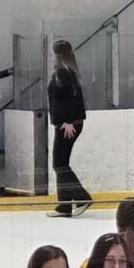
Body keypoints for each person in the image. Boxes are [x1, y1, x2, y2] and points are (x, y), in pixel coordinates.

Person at [47, 39, 91, 217]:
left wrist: (67, 121)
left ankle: (82, 198)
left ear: (56, 54)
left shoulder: (64, 72)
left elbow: (69, 100)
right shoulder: (68, 71)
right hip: (68, 123)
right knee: (60, 163)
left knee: (59, 163)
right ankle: (64, 205)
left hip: (68, 124)